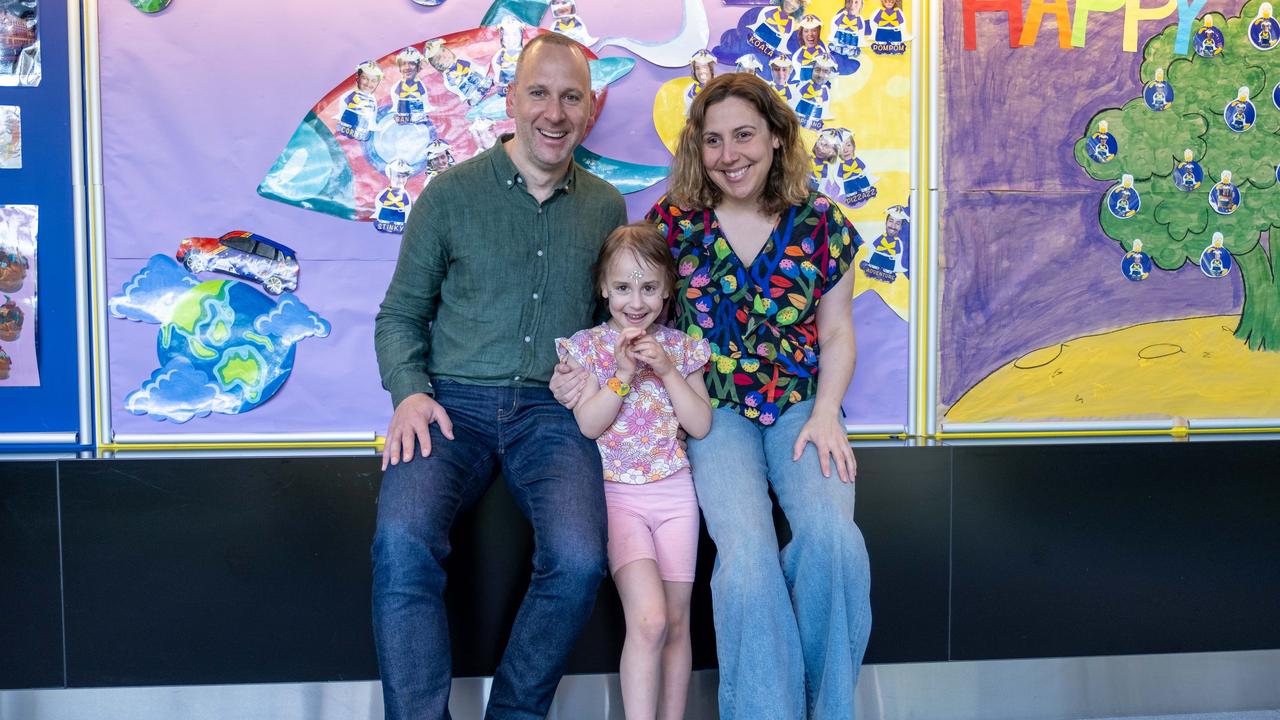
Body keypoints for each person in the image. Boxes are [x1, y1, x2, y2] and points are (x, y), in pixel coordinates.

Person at [555, 71, 871, 719]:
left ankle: (828, 708)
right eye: (714, 140)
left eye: (746, 136)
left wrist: (829, 411)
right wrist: (581, 373)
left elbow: (837, 331)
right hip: (711, 415)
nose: (730, 155)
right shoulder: (674, 222)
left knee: (834, 542)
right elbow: (628, 302)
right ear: (698, 149)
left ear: (779, 137)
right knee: (748, 559)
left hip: (800, 407)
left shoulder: (822, 224)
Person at [372, 31, 628, 720]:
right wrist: (410, 393)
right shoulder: (448, 196)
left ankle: (514, 713)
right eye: (539, 93)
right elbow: (399, 316)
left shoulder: (606, 208)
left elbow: (620, 321)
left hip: (552, 412)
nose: (554, 111)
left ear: (591, 108)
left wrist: (602, 373)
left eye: (571, 96)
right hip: (450, 403)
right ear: (510, 100)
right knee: (401, 546)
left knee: (578, 562)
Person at [556, 222, 713, 720]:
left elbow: (701, 424)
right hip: (619, 498)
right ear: (603, 286)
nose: (636, 301)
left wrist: (666, 369)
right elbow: (588, 424)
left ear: (668, 288)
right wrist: (623, 374)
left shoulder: (682, 348)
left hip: (675, 498)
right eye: (623, 287)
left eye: (649, 288)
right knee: (647, 620)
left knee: (676, 622)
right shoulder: (587, 349)